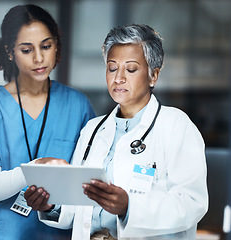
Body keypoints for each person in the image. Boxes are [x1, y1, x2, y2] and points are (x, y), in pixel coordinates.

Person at [24, 24, 208, 239]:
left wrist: (129, 207)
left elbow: (192, 204)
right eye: (112, 68)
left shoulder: (176, 125)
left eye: (130, 69)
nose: (118, 78)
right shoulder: (93, 129)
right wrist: (50, 205)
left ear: (153, 76)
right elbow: (79, 209)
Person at [0, 4, 96, 240]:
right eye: (27, 50)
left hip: (53, 232)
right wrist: (39, 167)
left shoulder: (78, 105)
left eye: (46, 46)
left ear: (56, 45)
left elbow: (85, 184)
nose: (39, 58)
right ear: (10, 51)